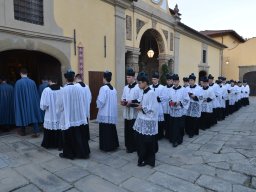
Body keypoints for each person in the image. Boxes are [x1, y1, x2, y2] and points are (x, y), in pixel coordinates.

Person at [57, 69, 90, 159]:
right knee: (79, 135)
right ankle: (82, 153)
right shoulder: (78, 88)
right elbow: (82, 101)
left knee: (68, 136)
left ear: (66, 79)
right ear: (73, 78)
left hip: (68, 116)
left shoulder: (63, 90)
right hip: (78, 116)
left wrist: (61, 110)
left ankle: (70, 154)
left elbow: (60, 106)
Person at [133, 72, 158, 167]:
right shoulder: (144, 91)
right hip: (142, 119)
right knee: (140, 140)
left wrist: (141, 108)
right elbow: (144, 104)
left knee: (147, 142)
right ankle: (142, 157)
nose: (138, 85)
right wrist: (140, 106)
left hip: (148, 121)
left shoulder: (151, 93)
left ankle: (149, 160)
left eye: (139, 83)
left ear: (144, 83)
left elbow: (153, 109)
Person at [14, 68, 42, 137]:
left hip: (22, 102)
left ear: (20, 74)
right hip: (32, 102)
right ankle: (36, 131)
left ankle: (23, 132)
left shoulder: (18, 82)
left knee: (22, 113)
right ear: (27, 73)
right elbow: (35, 93)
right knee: (33, 115)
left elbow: (16, 95)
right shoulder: (32, 82)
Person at [96, 71, 119, 152]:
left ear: (104, 78)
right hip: (111, 114)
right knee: (111, 130)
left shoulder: (103, 88)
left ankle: (106, 146)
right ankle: (113, 145)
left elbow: (101, 101)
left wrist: (97, 103)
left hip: (105, 114)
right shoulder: (114, 89)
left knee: (105, 131)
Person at [121, 68, 141, 153]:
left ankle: (134, 146)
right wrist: (123, 101)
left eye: (129, 77)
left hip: (134, 113)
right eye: (127, 77)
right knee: (127, 130)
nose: (127, 79)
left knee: (133, 130)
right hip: (127, 112)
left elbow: (140, 100)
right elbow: (123, 97)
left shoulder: (138, 87)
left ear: (133, 77)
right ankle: (128, 146)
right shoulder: (125, 87)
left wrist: (131, 102)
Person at [40, 76, 62, 149]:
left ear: (50, 81)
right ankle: (60, 144)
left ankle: (49, 144)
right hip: (60, 114)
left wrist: (44, 108)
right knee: (59, 128)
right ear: (56, 81)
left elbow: (44, 105)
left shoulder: (46, 90)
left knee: (50, 129)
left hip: (50, 114)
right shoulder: (62, 89)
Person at [168, 74, 190, 147]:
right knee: (172, 126)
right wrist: (171, 102)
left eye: (176, 81)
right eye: (173, 81)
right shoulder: (170, 89)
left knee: (179, 126)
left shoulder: (183, 90)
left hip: (180, 111)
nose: (174, 82)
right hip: (172, 111)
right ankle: (173, 139)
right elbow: (168, 98)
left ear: (178, 81)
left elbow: (187, 99)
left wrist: (179, 103)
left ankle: (178, 140)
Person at [75, 74, 92, 141]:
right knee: (85, 123)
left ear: (76, 78)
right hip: (86, 109)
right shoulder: (87, 86)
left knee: (79, 125)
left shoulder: (75, 86)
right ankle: (86, 137)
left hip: (79, 110)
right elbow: (90, 97)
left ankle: (80, 138)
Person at [185, 73, 203, 138]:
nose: (190, 81)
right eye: (189, 80)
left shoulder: (199, 88)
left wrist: (194, 96)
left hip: (195, 105)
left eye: (191, 80)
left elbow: (201, 97)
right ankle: (189, 131)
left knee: (194, 119)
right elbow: (184, 96)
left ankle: (194, 132)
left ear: (194, 81)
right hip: (188, 106)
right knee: (189, 119)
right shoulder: (186, 88)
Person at [150, 72, 165, 139]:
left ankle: (160, 135)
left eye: (155, 79)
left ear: (158, 79)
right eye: (153, 79)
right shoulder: (150, 87)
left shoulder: (162, 87)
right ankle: (153, 134)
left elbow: (163, 97)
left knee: (159, 122)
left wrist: (158, 98)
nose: (153, 80)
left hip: (159, 106)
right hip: (152, 106)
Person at [162, 73, 173, 139]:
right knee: (166, 122)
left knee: (171, 122)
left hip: (171, 108)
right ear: (166, 81)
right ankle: (166, 134)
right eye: (168, 80)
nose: (169, 81)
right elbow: (162, 97)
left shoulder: (174, 88)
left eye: (171, 80)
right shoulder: (164, 88)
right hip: (165, 108)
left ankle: (170, 135)